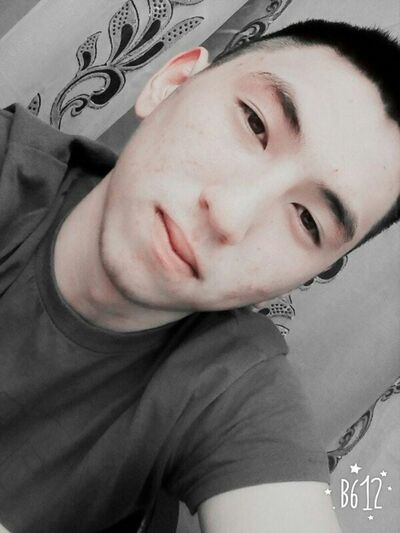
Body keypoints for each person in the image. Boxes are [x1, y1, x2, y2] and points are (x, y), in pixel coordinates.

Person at [0, 18, 399, 533]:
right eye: (254, 124)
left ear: (306, 276)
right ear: (171, 84)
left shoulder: (234, 389)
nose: (229, 216)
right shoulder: (11, 167)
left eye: (307, 220)